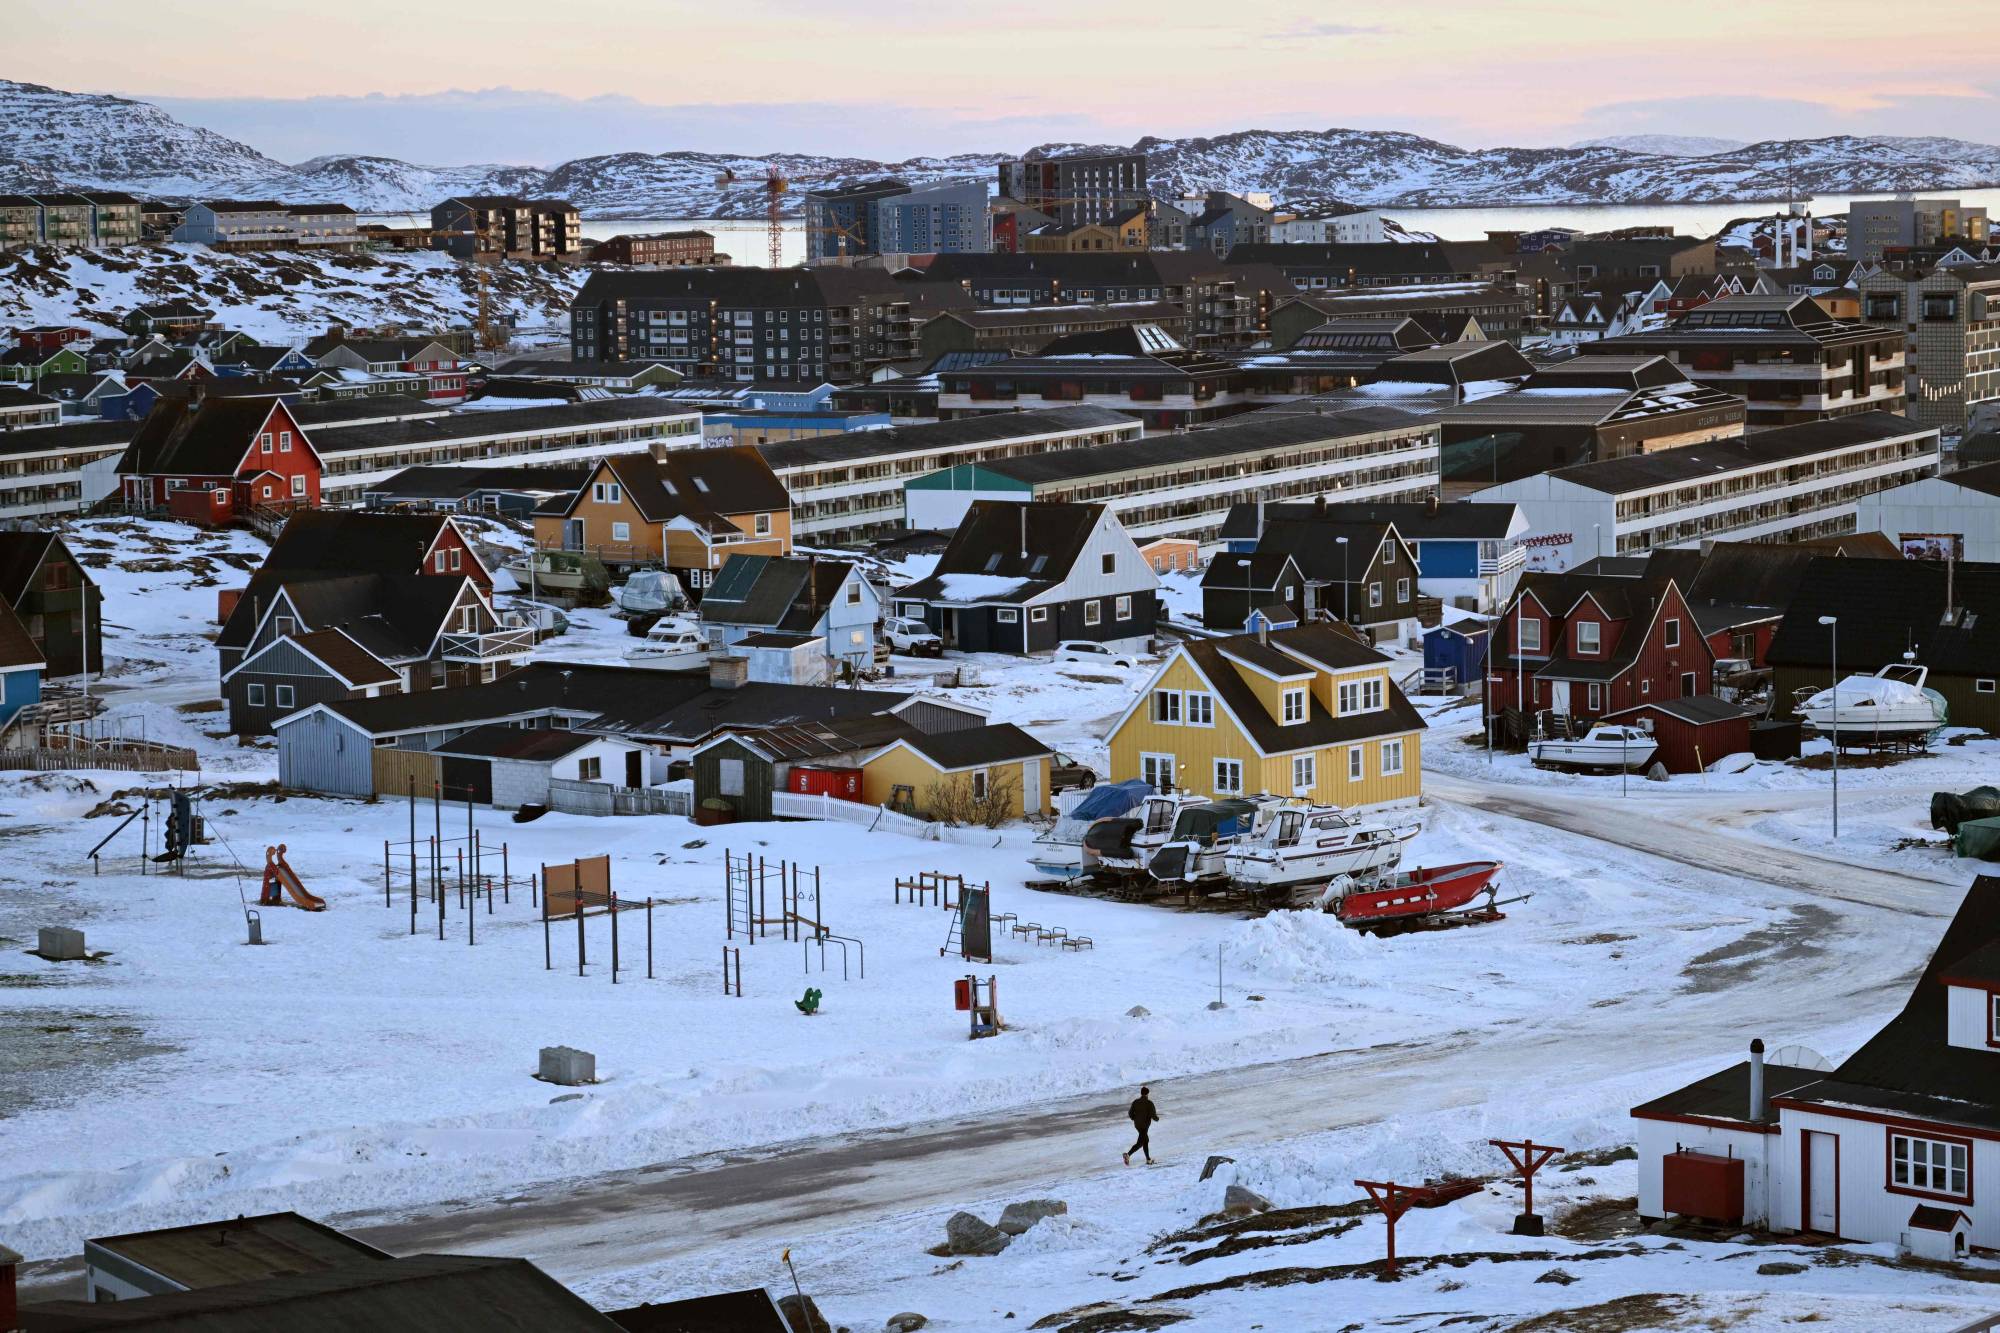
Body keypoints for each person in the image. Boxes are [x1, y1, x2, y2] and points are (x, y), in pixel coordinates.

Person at [1123, 1086, 1158, 1165]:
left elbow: (1130, 1113)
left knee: (1145, 1140)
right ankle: (1127, 1154)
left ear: (1141, 1093)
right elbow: (1153, 1115)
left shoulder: (1135, 1102)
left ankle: (1148, 1159)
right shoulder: (1149, 1103)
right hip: (1145, 1125)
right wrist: (1157, 1119)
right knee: (1141, 1142)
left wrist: (1134, 1118)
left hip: (1137, 1125)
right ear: (1147, 1094)